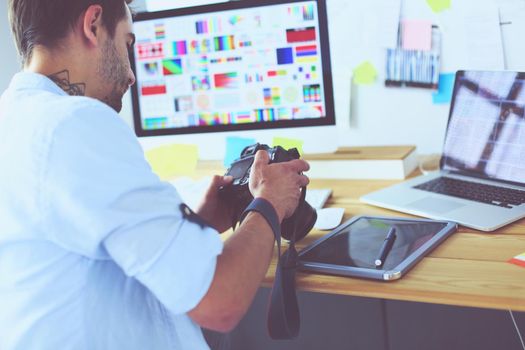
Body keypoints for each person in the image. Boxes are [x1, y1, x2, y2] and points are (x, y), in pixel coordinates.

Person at [0, 1, 310, 349]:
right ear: (93, 24)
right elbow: (220, 302)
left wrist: (195, 226)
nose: (131, 74)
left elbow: (95, 250)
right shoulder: (74, 123)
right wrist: (269, 202)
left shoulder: (16, 120)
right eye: (127, 43)